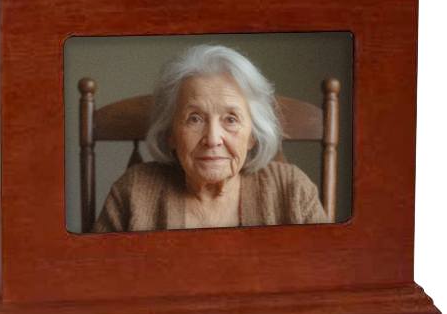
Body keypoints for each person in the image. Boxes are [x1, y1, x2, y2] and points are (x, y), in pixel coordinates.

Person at [92, 45, 329, 232]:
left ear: (252, 136)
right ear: (171, 133)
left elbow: (329, 271)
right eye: (195, 119)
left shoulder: (293, 191)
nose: (213, 139)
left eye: (231, 119)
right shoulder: (134, 191)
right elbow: (93, 274)